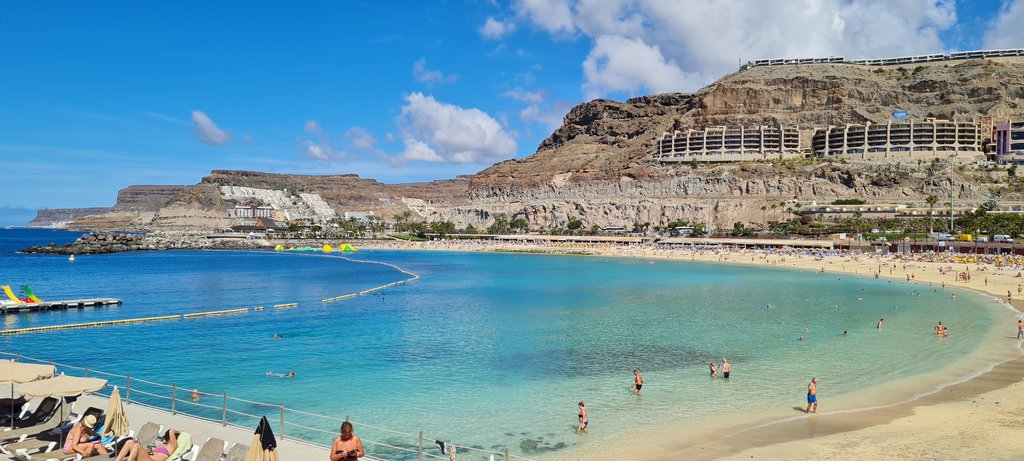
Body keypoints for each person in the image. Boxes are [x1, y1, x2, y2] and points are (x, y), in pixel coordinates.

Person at [114, 428, 178, 461]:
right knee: (130, 441)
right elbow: (154, 453)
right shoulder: (162, 443)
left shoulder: (173, 446)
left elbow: (171, 431)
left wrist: (177, 431)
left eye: (167, 438)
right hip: (147, 457)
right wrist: (149, 451)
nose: (165, 439)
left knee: (137, 446)